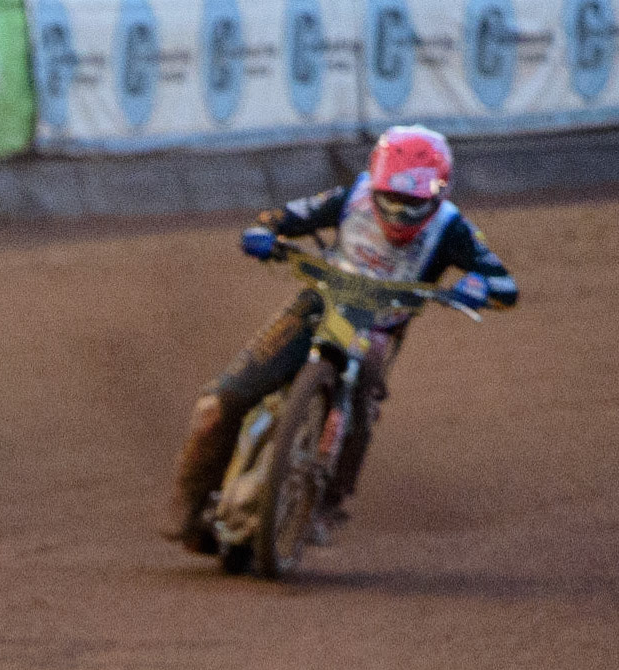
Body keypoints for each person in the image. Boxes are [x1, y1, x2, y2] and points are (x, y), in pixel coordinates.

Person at [163, 125, 517, 551]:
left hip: (377, 330)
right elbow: (282, 217)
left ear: (439, 195)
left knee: (362, 410)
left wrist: (479, 285)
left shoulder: (452, 228)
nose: (399, 213)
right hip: (317, 306)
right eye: (391, 199)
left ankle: (327, 506)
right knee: (219, 404)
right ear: (376, 186)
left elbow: (505, 284)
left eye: (413, 204)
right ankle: (188, 507)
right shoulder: (352, 197)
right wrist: (263, 233)